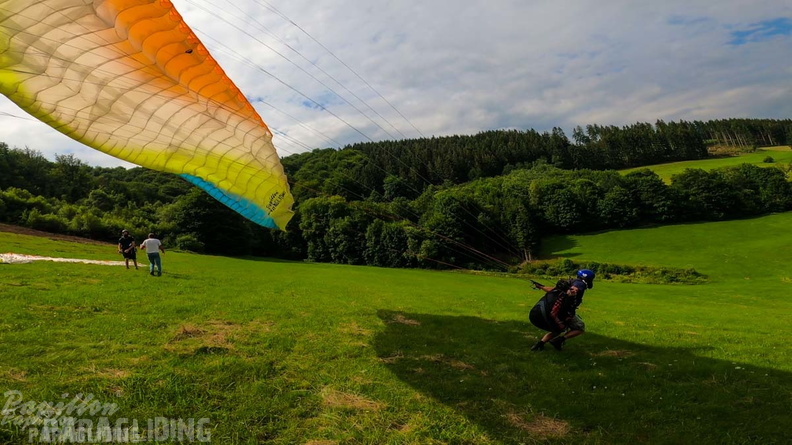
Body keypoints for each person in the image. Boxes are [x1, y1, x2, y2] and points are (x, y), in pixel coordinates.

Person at [529, 269, 595, 351]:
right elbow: (575, 289)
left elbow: (553, 290)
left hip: (558, 311)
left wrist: (541, 287)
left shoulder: (570, 282)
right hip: (565, 312)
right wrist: (573, 291)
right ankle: (559, 340)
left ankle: (539, 344)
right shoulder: (580, 283)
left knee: (557, 329)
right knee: (580, 327)